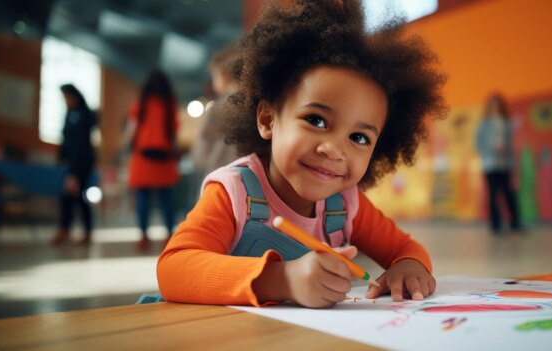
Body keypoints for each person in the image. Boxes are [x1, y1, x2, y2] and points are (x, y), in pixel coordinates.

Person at [157, 0, 446, 308]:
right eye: (316, 120)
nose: (334, 149)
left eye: (359, 137)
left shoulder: (347, 204)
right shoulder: (233, 194)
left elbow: (407, 248)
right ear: (268, 119)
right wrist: (282, 280)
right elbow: (173, 269)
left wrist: (410, 266)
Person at [127, 70, 180, 250]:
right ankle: (169, 234)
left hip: (143, 156)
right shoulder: (169, 104)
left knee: (143, 198)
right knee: (166, 199)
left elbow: (132, 130)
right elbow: (173, 133)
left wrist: (126, 148)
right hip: (164, 157)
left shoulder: (141, 103)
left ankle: (143, 236)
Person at [52, 84, 97, 245]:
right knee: (72, 197)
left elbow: (80, 145)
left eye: (67, 97)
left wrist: (75, 172)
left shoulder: (83, 115)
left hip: (81, 162)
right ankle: (68, 229)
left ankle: (84, 231)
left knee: (77, 196)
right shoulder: (69, 114)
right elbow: (65, 140)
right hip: (71, 163)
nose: (66, 101)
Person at [191, 43, 241, 179]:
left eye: (214, 77)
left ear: (223, 75)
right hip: (246, 176)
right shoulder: (253, 105)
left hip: (219, 174)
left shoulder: (217, 108)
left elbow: (201, 154)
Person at [475, 93, 521, 233]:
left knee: (509, 193)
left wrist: (509, 157)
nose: (495, 107)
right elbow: (478, 144)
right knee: (493, 194)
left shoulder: (506, 122)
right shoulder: (484, 124)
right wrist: (492, 148)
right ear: (489, 106)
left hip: (505, 164)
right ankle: (496, 225)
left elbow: (511, 143)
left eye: (498, 104)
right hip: (490, 164)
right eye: (493, 104)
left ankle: (515, 223)